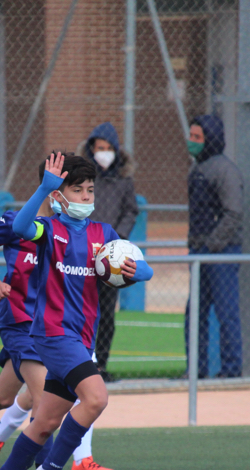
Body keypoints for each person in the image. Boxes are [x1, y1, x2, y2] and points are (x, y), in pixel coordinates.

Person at [0, 153, 153, 470]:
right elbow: (20, 227)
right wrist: (44, 188)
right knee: (97, 398)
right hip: (53, 334)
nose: (86, 197)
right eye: (77, 190)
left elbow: (143, 266)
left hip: (81, 337)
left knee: (44, 423)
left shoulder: (103, 234)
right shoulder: (49, 230)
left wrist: (138, 270)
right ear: (59, 196)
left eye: (90, 191)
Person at [77, 122, 138, 382]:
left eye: (108, 148)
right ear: (91, 149)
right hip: (81, 255)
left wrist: (118, 239)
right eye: (99, 148)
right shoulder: (81, 177)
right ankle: (79, 363)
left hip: (111, 258)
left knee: (106, 313)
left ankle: (100, 365)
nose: (103, 153)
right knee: (80, 311)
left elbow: (131, 211)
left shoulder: (124, 180)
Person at [185, 114, 244, 378]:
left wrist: (212, 245)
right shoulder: (197, 168)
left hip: (221, 253)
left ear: (211, 139)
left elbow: (233, 213)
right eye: (191, 136)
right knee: (194, 314)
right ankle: (196, 370)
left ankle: (231, 371)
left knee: (226, 313)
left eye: (197, 137)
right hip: (201, 252)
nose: (192, 141)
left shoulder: (225, 170)